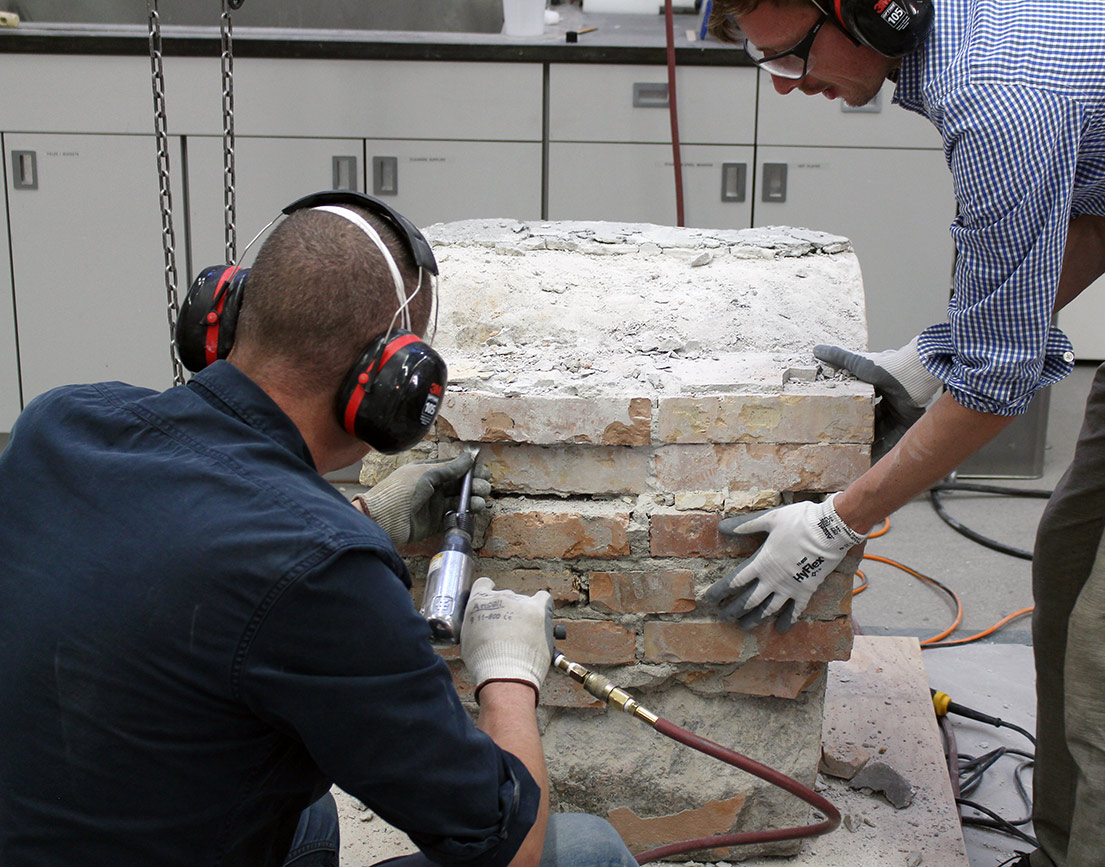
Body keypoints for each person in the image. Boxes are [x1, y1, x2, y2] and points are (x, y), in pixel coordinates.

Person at [702, 1, 1105, 865]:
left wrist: (838, 521)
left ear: (874, 10)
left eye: (793, 55)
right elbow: (1095, 226)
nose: (793, 86)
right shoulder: (964, 37)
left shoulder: (997, 90)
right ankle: (1064, 852)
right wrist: (941, 350)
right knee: (1072, 561)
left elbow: (996, 389)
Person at [0, 192, 636, 867]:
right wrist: (508, 670)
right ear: (392, 382)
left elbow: (185, 557)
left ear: (226, 315)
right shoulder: (326, 570)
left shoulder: (57, 425)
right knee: (586, 851)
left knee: (308, 809)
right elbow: (508, 847)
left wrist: (359, 521)